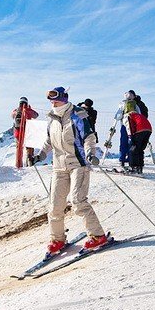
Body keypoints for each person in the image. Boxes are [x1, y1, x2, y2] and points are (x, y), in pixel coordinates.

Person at [36, 87, 109, 255]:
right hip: (59, 166)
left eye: (56, 99)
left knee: (78, 200)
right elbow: (49, 141)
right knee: (55, 205)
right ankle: (58, 239)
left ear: (65, 98)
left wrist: (90, 153)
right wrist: (40, 155)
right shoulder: (52, 118)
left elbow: (89, 136)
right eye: (50, 100)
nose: (53, 102)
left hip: (78, 163)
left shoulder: (78, 114)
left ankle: (98, 236)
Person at [123, 100, 153, 173]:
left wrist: (131, 138)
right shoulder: (138, 114)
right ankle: (140, 167)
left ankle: (134, 167)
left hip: (140, 130)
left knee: (133, 149)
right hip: (148, 129)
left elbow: (129, 127)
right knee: (140, 149)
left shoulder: (128, 115)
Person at [12, 97, 39, 166]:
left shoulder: (15, 111)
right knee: (29, 147)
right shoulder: (27, 110)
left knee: (19, 148)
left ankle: (18, 164)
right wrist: (29, 108)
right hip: (27, 131)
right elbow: (36, 115)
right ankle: (29, 162)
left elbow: (12, 116)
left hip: (17, 132)